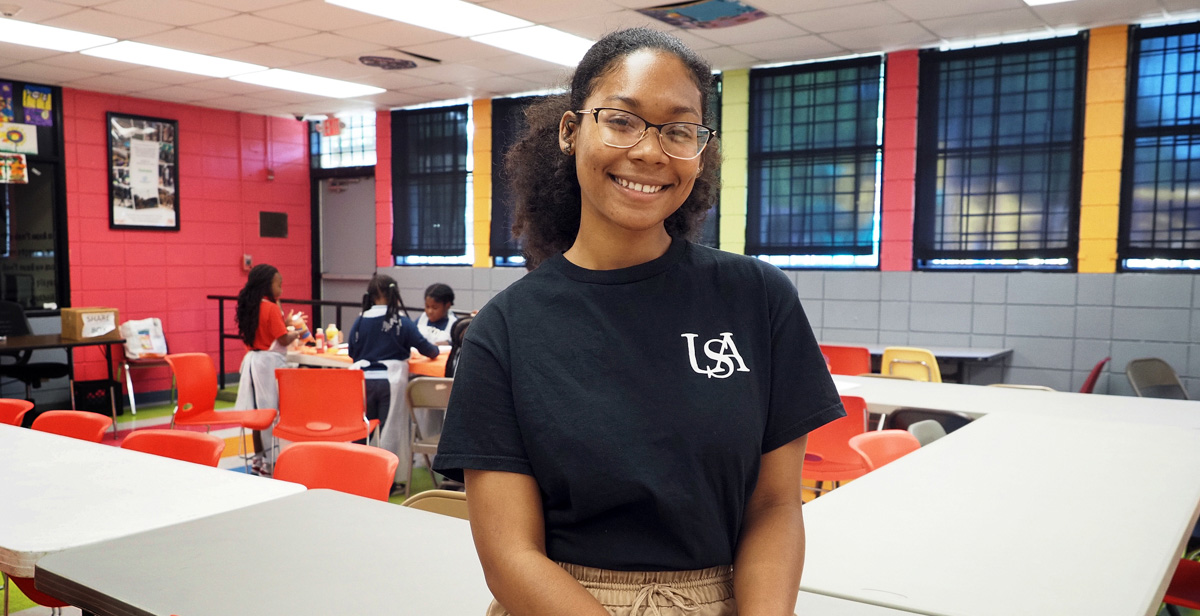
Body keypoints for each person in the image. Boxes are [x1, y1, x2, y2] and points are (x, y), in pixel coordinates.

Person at [433, 27, 845, 616]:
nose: (651, 151)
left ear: (699, 151)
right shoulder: (505, 329)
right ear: (572, 132)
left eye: (679, 130)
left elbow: (775, 505)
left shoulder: (756, 296)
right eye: (622, 120)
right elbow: (509, 554)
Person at [232, 264, 306, 474]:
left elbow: (267, 329)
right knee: (273, 412)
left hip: (252, 363)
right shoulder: (272, 308)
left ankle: (258, 459)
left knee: (258, 414)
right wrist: (295, 332)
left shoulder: (251, 306)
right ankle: (274, 459)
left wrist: (286, 322)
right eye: (278, 284)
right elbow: (282, 337)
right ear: (267, 284)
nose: (281, 289)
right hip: (269, 366)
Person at [347, 274, 438, 432]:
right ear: (394, 294)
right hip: (390, 381)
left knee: (363, 429)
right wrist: (436, 349)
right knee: (388, 432)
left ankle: (361, 456)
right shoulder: (401, 321)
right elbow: (428, 350)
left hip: (362, 382)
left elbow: (352, 352)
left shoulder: (360, 320)